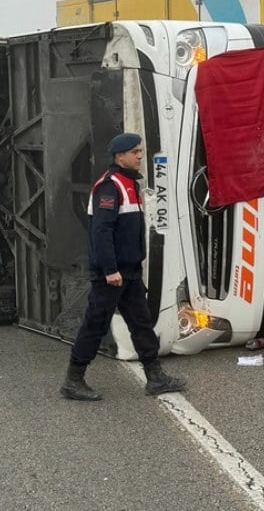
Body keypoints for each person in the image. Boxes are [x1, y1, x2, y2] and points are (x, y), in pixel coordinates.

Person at [61, 133, 187, 401]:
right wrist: (109, 269)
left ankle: (156, 378)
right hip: (112, 274)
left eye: (141, 151)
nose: (140, 156)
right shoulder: (110, 187)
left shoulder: (129, 184)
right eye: (135, 152)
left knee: (141, 324)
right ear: (120, 156)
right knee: (95, 325)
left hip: (128, 272)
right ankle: (73, 380)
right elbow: (101, 231)